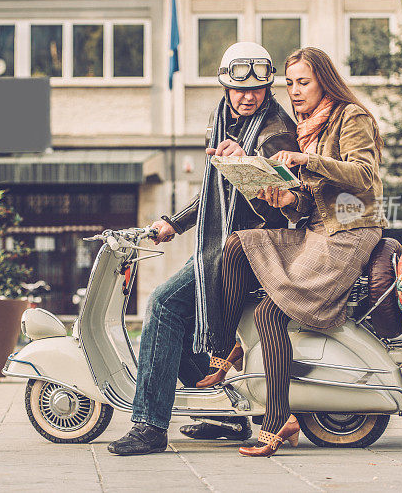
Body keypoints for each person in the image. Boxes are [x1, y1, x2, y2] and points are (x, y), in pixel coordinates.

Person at [107, 42, 300, 456]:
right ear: (225, 87)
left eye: (258, 89)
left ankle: (149, 425)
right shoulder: (220, 121)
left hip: (253, 252)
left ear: (268, 89)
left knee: (161, 304)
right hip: (223, 245)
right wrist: (172, 223)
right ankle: (218, 415)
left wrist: (249, 161)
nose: (248, 96)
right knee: (176, 316)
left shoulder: (274, 131)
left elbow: (279, 195)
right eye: (238, 88)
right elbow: (216, 192)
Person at [201, 47, 387, 457]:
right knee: (238, 245)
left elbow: (366, 176)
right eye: (290, 83)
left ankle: (276, 423)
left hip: (349, 234)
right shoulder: (308, 127)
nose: (295, 90)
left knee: (270, 312)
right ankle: (221, 352)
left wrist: (308, 158)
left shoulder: (350, 117)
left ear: (324, 80)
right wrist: (284, 199)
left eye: (303, 81)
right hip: (316, 231)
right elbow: (308, 203)